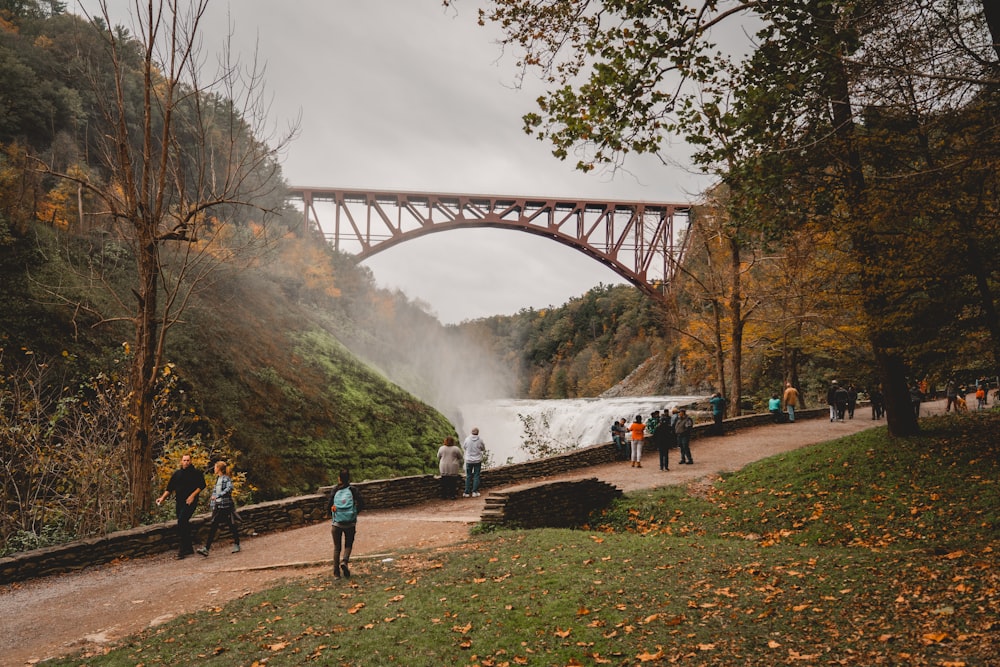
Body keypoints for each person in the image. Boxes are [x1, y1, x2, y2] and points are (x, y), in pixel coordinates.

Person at [156, 454, 206, 560]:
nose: (186, 462)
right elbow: (169, 488)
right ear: (181, 461)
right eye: (184, 460)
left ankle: (182, 550)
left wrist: (192, 496)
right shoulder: (177, 474)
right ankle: (189, 548)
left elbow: (202, 485)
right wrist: (162, 498)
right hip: (179, 502)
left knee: (182, 522)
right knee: (184, 523)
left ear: (191, 461)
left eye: (188, 460)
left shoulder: (196, 473)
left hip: (190, 502)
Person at [196, 460, 241, 556]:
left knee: (230, 525)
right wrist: (213, 504)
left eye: (215, 467)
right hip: (218, 507)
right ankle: (206, 548)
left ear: (219, 469)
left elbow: (229, 488)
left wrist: (219, 495)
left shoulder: (226, 479)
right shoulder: (218, 479)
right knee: (215, 526)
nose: (214, 469)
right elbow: (214, 493)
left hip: (226, 506)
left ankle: (236, 544)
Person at [328, 468, 363, 578]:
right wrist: (355, 513)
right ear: (348, 478)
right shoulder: (353, 490)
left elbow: (328, 506)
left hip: (337, 523)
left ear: (339, 478)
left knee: (337, 548)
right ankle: (345, 561)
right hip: (350, 523)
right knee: (348, 544)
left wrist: (333, 516)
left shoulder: (335, 490)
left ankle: (336, 573)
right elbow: (362, 503)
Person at [462, 427, 487, 497]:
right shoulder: (480, 440)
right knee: (476, 476)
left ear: (471, 432)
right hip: (477, 460)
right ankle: (474, 492)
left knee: (468, 476)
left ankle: (466, 492)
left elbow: (464, 447)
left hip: (469, 460)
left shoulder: (467, 439)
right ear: (478, 433)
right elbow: (483, 448)